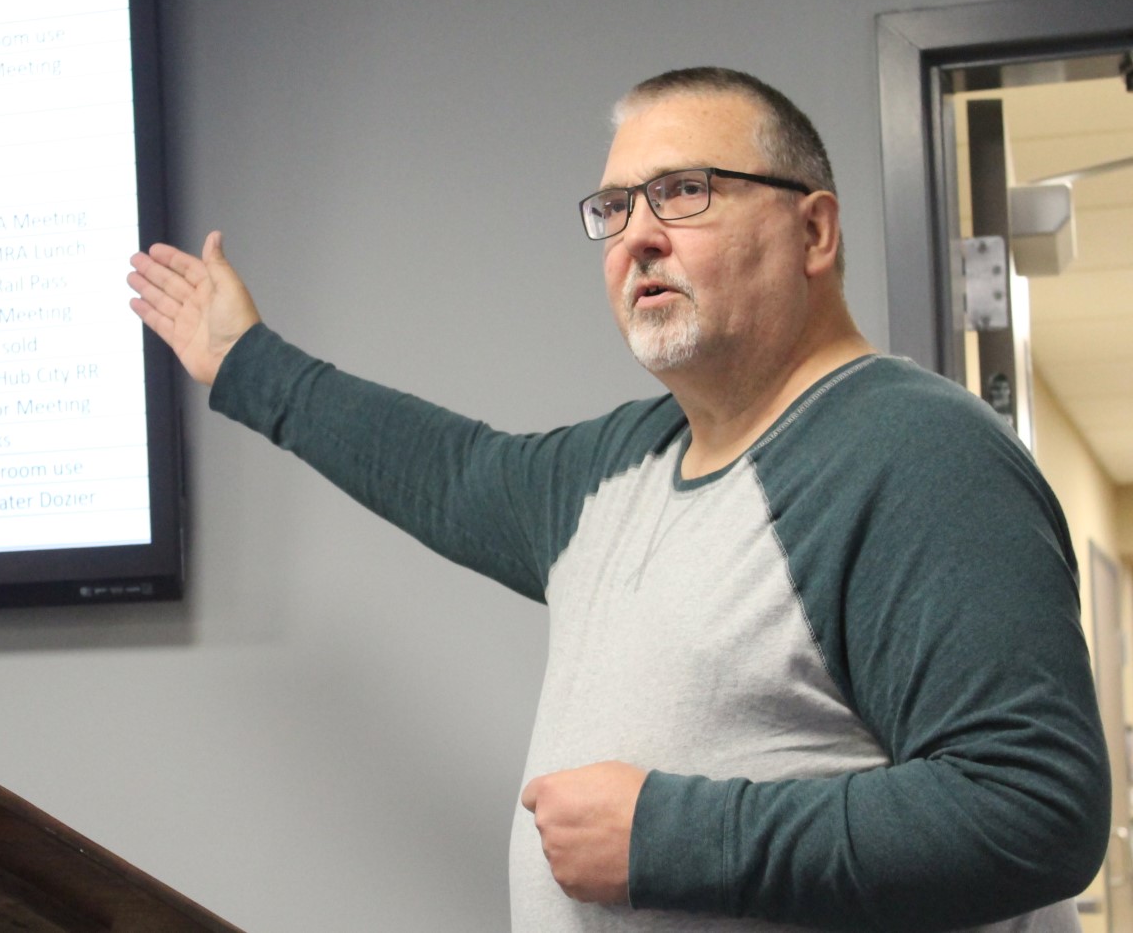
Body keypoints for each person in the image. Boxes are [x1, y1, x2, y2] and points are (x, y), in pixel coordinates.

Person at [127, 67, 1110, 931]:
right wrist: (247, 363)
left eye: (683, 192)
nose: (637, 235)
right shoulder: (619, 466)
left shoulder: (915, 452)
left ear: (812, 230)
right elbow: (450, 472)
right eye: (613, 207)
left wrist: (662, 835)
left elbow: (1031, 809)